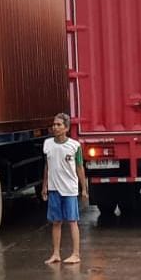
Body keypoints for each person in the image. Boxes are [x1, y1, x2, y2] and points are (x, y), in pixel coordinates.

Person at [42, 113, 87, 265]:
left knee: (72, 221)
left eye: (59, 124)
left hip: (69, 190)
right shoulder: (47, 144)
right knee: (56, 222)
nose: (55, 127)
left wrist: (84, 189)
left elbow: (80, 167)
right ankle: (56, 253)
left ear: (66, 128)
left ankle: (76, 254)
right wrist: (45, 186)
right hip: (54, 189)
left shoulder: (75, 146)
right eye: (54, 124)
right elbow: (47, 166)